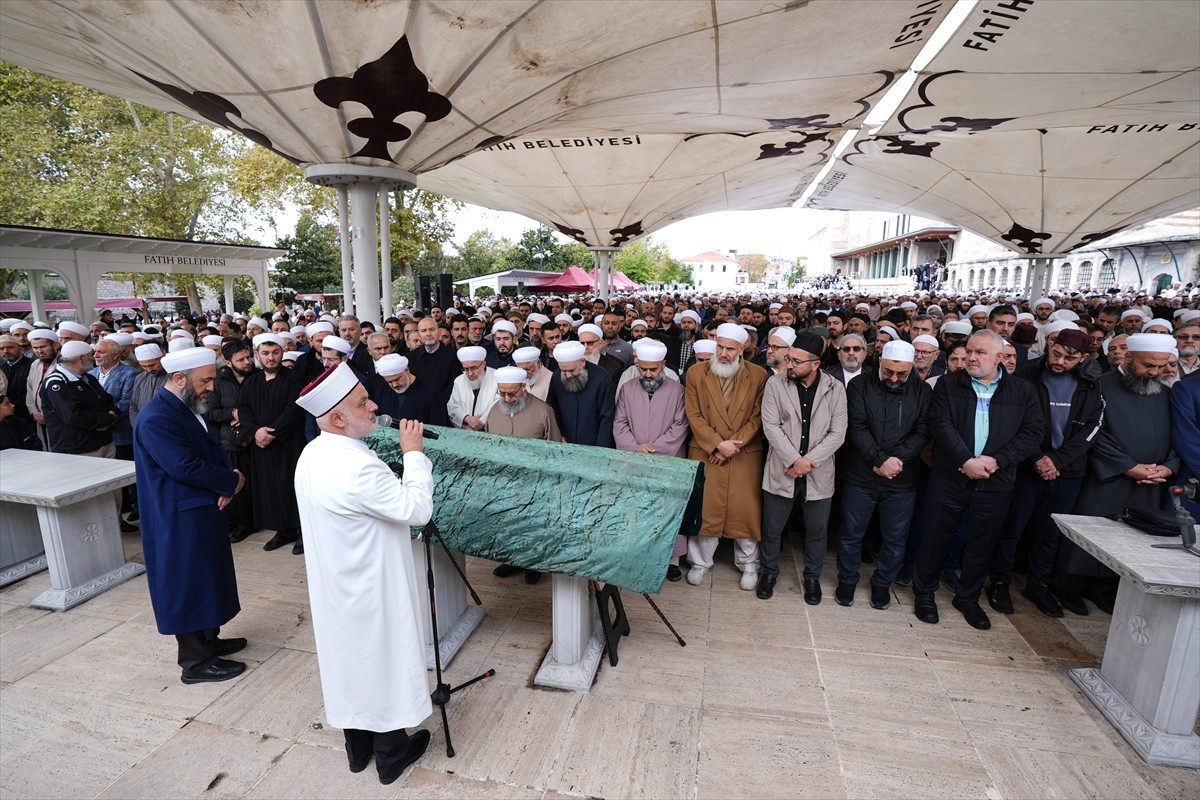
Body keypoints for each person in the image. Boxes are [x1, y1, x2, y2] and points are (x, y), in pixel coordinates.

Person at [293, 363, 432, 785]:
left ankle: (358, 747)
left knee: (349, 662)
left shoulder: (313, 453)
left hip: (336, 585)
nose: (374, 405)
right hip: (371, 587)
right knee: (380, 662)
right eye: (361, 403)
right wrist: (413, 454)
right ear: (336, 418)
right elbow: (416, 510)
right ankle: (390, 753)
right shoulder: (356, 467)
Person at [912, 330, 1044, 630]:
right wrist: (966, 460)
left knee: (982, 542)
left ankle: (968, 597)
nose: (971, 357)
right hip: (950, 476)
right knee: (935, 536)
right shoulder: (948, 384)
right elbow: (940, 424)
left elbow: (1033, 432)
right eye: (969, 351)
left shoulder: (1022, 391)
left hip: (996, 480)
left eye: (980, 353)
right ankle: (924, 592)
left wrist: (996, 460)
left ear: (1000, 358)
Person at [132, 347, 247, 684]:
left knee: (207, 578)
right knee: (189, 583)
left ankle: (209, 641)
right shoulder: (156, 417)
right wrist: (232, 481)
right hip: (178, 518)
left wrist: (228, 480)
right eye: (205, 380)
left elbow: (208, 451)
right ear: (179, 379)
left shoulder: (183, 406)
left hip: (200, 510)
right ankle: (195, 662)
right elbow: (183, 465)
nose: (211, 386)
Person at [984, 329, 1103, 618]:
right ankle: (999, 581)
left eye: (1069, 358)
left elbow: (1092, 427)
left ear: (1083, 358)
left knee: (1049, 533)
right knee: (1011, 529)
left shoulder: (1091, 384)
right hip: (1025, 468)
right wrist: (1037, 457)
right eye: (1056, 353)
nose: (1060, 361)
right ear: (1049, 346)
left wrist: (1057, 461)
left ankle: (1038, 585)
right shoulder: (1024, 376)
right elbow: (1012, 423)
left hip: (1067, 471)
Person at [1059, 333, 1180, 615]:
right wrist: (1127, 465)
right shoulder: (1099, 387)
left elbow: (1178, 435)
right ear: (1128, 357)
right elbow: (1093, 434)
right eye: (1148, 365)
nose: (1155, 372)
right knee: (1091, 535)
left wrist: (1169, 466)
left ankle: (1106, 590)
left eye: (1161, 366)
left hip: (1151, 480)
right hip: (1107, 476)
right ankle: (1069, 588)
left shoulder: (1165, 392)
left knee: (1131, 539)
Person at [837, 340, 930, 610]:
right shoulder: (859, 385)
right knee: (851, 533)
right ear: (880, 362)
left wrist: (895, 460)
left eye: (902, 374)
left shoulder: (922, 391)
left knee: (895, 537)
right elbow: (856, 427)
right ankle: (847, 580)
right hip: (861, 474)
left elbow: (923, 431)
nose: (894, 378)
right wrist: (879, 459)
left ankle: (881, 584)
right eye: (889, 371)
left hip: (901, 478)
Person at [759, 332, 847, 602]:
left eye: (797, 361)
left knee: (817, 532)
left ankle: (812, 578)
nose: (790, 365)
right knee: (772, 528)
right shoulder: (775, 384)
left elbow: (838, 433)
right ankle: (769, 573)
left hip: (818, 472)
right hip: (782, 468)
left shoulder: (835, 388)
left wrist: (806, 463)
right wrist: (793, 460)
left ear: (816, 364)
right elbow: (771, 426)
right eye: (789, 359)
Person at [683, 323, 768, 588]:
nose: (723, 353)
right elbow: (694, 415)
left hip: (743, 452)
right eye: (720, 346)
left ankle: (749, 565)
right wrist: (717, 445)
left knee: (745, 511)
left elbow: (757, 416)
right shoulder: (696, 373)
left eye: (730, 349)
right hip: (707, 450)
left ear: (742, 349)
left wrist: (733, 446)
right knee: (705, 509)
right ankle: (700, 562)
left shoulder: (758, 375)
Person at [613, 338, 691, 581]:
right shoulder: (627, 389)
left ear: (663, 365)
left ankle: (671, 561)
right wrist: (635, 448)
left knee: (668, 511)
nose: (647, 374)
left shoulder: (678, 391)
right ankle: (639, 555)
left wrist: (653, 449)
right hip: (635, 459)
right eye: (643, 368)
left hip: (668, 461)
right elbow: (620, 423)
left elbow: (680, 427)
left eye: (653, 369)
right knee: (638, 510)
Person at [238, 333, 307, 554]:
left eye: (275, 353)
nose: (271, 358)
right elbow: (244, 411)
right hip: (262, 446)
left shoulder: (294, 378)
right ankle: (282, 530)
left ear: (282, 353)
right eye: (265, 353)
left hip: (288, 445)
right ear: (256, 355)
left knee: (291, 487)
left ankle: (301, 532)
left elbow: (294, 410)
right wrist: (256, 432)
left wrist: (271, 433)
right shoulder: (251, 382)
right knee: (269, 489)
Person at [208, 340, 258, 543]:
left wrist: (245, 414)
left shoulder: (257, 376)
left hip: (255, 438)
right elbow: (212, 413)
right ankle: (241, 524)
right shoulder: (218, 381)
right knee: (237, 485)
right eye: (241, 359)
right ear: (228, 363)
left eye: (248, 357)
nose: (247, 362)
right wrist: (234, 413)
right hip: (231, 441)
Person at [547, 340, 615, 447]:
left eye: (572, 370)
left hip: (594, 446)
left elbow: (606, 418)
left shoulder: (602, 379)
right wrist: (560, 434)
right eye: (564, 371)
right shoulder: (556, 377)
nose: (568, 375)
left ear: (582, 361)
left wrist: (601, 451)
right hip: (565, 443)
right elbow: (553, 408)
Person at [371, 353, 449, 426]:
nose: (394, 385)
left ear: (407, 370)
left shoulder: (431, 394)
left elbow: (438, 429)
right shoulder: (382, 391)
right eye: (389, 382)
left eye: (397, 379)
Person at [447, 346, 497, 430]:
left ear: (483, 364)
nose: (470, 373)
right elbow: (453, 406)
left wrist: (479, 423)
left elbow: (497, 406)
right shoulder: (459, 381)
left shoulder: (497, 378)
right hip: (466, 430)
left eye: (473, 368)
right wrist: (466, 419)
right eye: (466, 369)